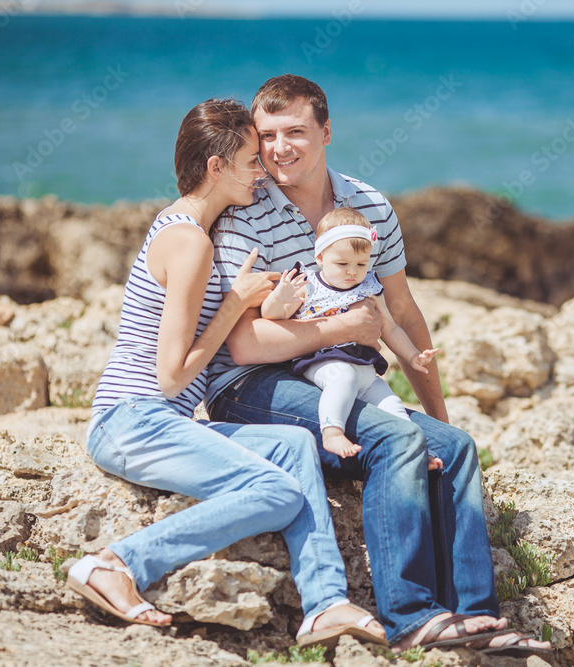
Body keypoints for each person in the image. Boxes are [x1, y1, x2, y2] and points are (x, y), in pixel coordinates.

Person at [205, 74, 551, 658]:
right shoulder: (245, 212)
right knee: (394, 437)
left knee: (457, 446)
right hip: (249, 386)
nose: (280, 148)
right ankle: (410, 616)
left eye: (296, 131)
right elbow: (246, 346)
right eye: (267, 135)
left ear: (327, 131)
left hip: (337, 378)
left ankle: (476, 619)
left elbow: (403, 310)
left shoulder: (369, 208)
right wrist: (341, 329)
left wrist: (437, 420)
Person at [69, 97, 386, 648]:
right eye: (250, 162)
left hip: (164, 420)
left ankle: (326, 602)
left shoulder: (190, 231)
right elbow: (171, 377)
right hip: (133, 419)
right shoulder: (189, 242)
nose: (262, 173)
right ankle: (116, 564)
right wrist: (235, 306)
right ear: (216, 168)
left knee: (292, 445)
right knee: (276, 490)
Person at [259, 207, 441, 464]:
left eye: (361, 264)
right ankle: (332, 432)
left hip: (365, 368)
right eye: (342, 263)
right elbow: (271, 316)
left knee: (392, 403)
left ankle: (416, 451)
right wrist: (280, 296)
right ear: (320, 257)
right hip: (324, 362)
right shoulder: (307, 285)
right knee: (342, 379)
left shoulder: (370, 287)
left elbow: (389, 327)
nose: (352, 272)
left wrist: (413, 356)